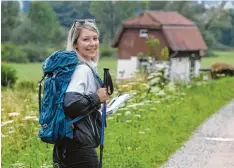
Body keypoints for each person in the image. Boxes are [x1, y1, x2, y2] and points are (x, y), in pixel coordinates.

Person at [53, 19, 109, 168]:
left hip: (72, 141)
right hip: (77, 144)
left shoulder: (85, 67)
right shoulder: (81, 70)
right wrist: (97, 97)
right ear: (75, 44)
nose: (92, 43)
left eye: (95, 38)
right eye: (86, 39)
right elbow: (71, 103)